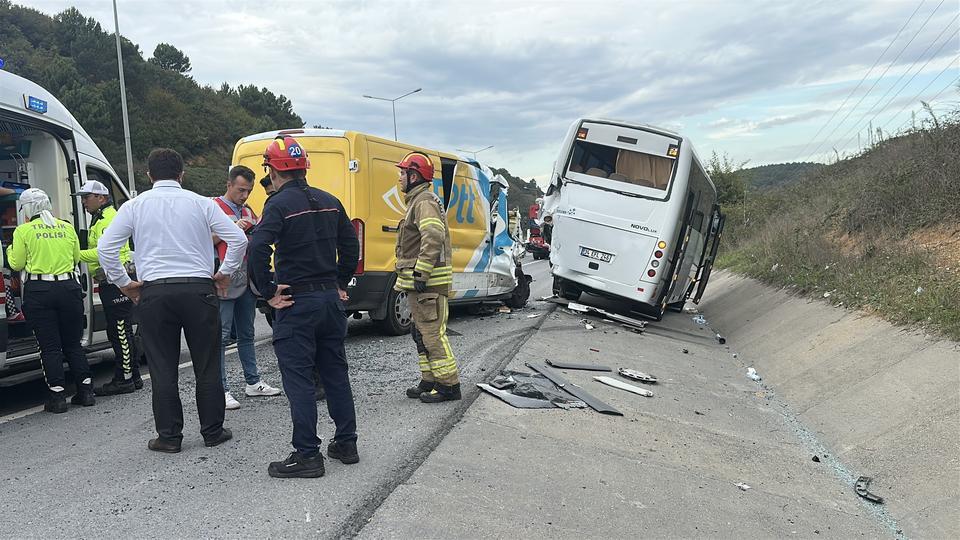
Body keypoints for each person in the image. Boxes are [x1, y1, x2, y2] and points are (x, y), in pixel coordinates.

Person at [98, 148, 247, 453]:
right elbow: (239, 239)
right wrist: (225, 273)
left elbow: (106, 249)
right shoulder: (201, 203)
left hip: (155, 292)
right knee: (206, 364)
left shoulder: (134, 206)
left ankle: (169, 437)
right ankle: (213, 431)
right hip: (199, 289)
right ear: (182, 174)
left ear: (149, 175)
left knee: (162, 366)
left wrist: (125, 284)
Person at [249, 135, 360, 479]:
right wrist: (340, 283)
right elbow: (350, 243)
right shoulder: (330, 200)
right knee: (335, 373)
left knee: (298, 378)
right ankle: (346, 443)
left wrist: (267, 291)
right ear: (303, 167)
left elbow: (257, 248)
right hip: (329, 301)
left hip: (297, 302)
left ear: (273, 170)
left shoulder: (279, 205)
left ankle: (307, 454)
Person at [6, 188, 93, 413]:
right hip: (69, 288)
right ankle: (86, 391)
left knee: (50, 347)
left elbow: (16, 264)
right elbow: (76, 258)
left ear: (28, 209)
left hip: (40, 291)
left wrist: (7, 252)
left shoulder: (23, 230)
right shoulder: (66, 226)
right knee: (73, 343)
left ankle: (57, 397)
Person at [394, 152, 461, 403]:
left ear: (413, 176)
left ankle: (449, 387)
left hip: (428, 284)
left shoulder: (423, 202)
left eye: (403, 173)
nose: (399, 178)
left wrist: (421, 271)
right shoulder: (418, 201)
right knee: (421, 333)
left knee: (432, 335)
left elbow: (432, 235)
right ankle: (430, 379)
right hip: (421, 285)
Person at [213, 166, 281, 410]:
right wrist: (233, 230)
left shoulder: (248, 210)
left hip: (247, 282)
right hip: (224, 280)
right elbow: (203, 240)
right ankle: (221, 389)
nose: (245, 195)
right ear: (229, 184)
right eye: (241, 190)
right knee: (220, 337)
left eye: (249, 191)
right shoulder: (213, 207)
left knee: (247, 333)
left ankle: (253, 382)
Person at [72, 180, 143, 395]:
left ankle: (125, 379)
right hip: (110, 280)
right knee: (121, 330)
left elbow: (102, 251)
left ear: (101, 198)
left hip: (116, 280)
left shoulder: (109, 218)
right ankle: (134, 376)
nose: (84, 201)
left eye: (87, 197)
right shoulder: (99, 219)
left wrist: (75, 254)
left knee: (120, 330)